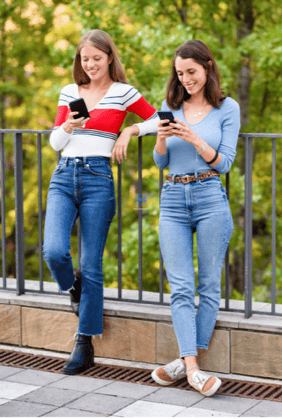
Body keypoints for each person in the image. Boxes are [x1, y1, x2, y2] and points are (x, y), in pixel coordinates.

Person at [43, 29, 158, 375]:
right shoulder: (69, 91)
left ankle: (84, 344)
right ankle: (71, 286)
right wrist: (68, 126)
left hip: (97, 179)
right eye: (84, 59)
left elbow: (158, 118)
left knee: (91, 265)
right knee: (54, 251)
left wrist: (129, 131)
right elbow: (53, 143)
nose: (90, 64)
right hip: (64, 175)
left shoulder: (123, 93)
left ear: (110, 57)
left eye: (97, 58)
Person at [150, 40, 240, 396]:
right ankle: (193, 369)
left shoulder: (226, 107)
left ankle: (185, 363)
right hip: (172, 198)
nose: (186, 79)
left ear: (207, 67)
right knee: (182, 287)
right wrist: (161, 139)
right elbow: (160, 162)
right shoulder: (170, 106)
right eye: (180, 73)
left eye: (191, 72)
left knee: (208, 287)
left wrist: (195, 140)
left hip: (209, 197)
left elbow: (226, 163)